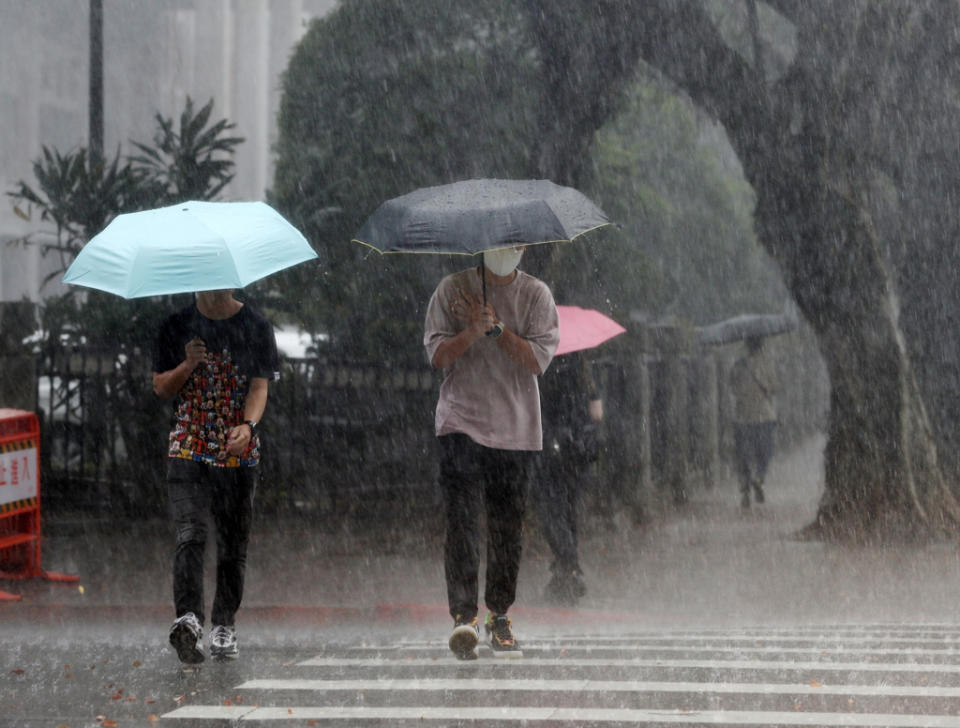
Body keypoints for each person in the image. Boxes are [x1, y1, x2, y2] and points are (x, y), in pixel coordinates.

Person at [424, 246, 559, 660]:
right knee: (462, 523)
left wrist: (498, 329)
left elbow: (536, 360)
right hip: (461, 423)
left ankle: (499, 615)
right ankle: (463, 617)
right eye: (499, 245)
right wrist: (471, 330)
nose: (507, 252)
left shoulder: (537, 295)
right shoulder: (451, 290)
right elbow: (437, 356)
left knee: (507, 529)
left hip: (516, 430)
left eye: (515, 245)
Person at [152, 289, 278, 664]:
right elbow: (161, 386)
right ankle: (189, 619)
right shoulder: (175, 326)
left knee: (233, 542)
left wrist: (248, 426)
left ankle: (224, 623)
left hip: (236, 449)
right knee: (190, 532)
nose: (214, 287)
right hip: (188, 445)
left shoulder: (256, 326)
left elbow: (259, 386)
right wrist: (187, 365)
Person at [535, 350, 603, 605]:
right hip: (580, 451)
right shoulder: (584, 372)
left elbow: (542, 410)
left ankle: (570, 567)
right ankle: (565, 572)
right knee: (569, 511)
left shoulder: (546, 369)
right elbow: (598, 414)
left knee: (552, 511)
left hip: (554, 449)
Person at [728, 335, 778, 509]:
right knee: (765, 451)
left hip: (742, 417)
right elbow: (774, 388)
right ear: (762, 345)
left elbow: (732, 387)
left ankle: (745, 491)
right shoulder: (768, 363)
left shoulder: (738, 365)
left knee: (743, 455)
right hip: (764, 416)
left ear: (747, 345)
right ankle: (759, 477)